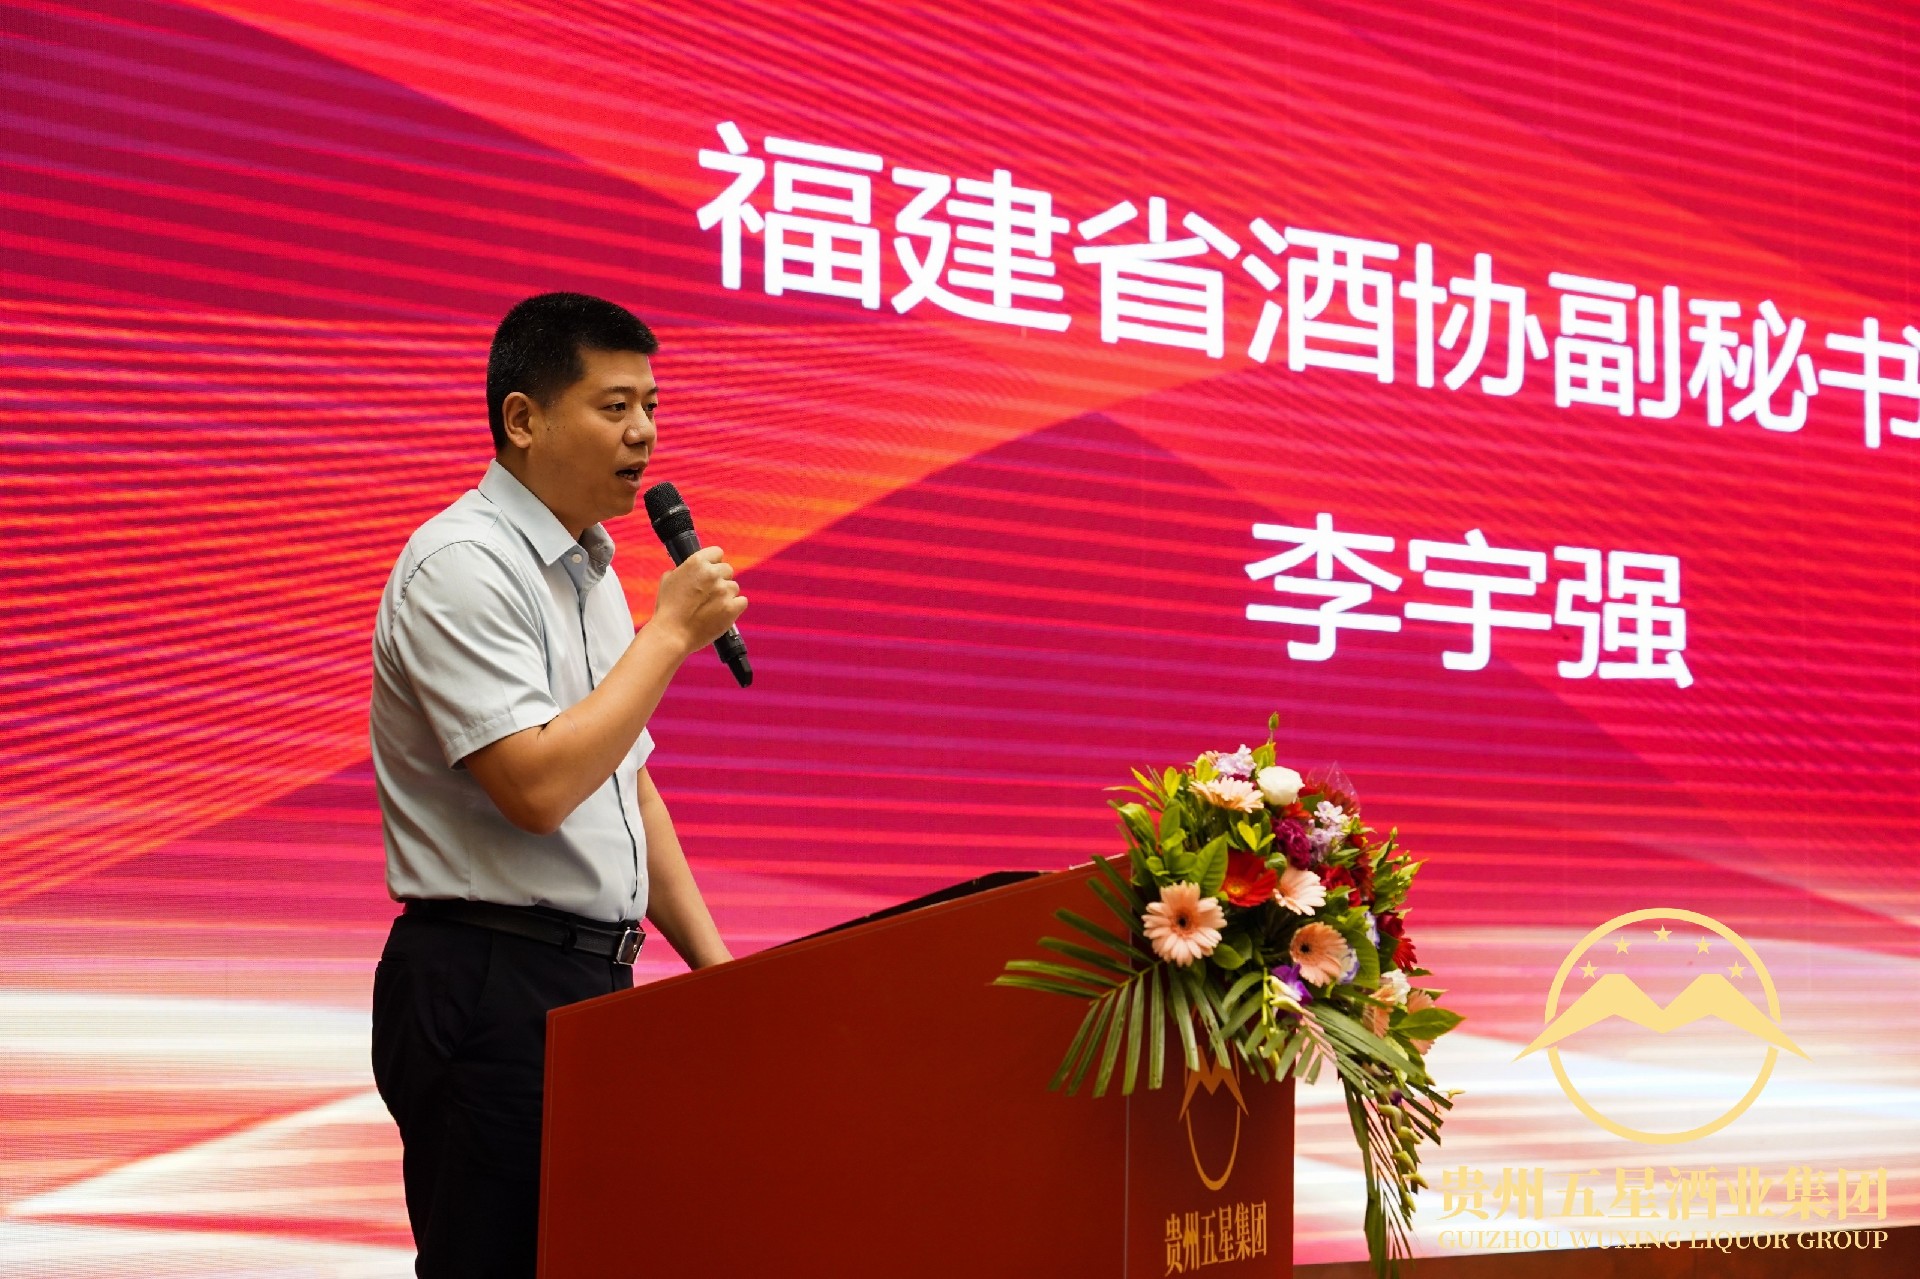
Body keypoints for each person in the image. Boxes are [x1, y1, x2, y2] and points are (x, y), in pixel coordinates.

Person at [367, 292, 744, 1277]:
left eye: (651, 406)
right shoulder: (463, 564)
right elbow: (536, 788)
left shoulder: (590, 574)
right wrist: (670, 634)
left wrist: (721, 972)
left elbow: (630, 790)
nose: (644, 433)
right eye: (614, 406)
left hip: (590, 981)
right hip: (486, 978)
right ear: (524, 419)